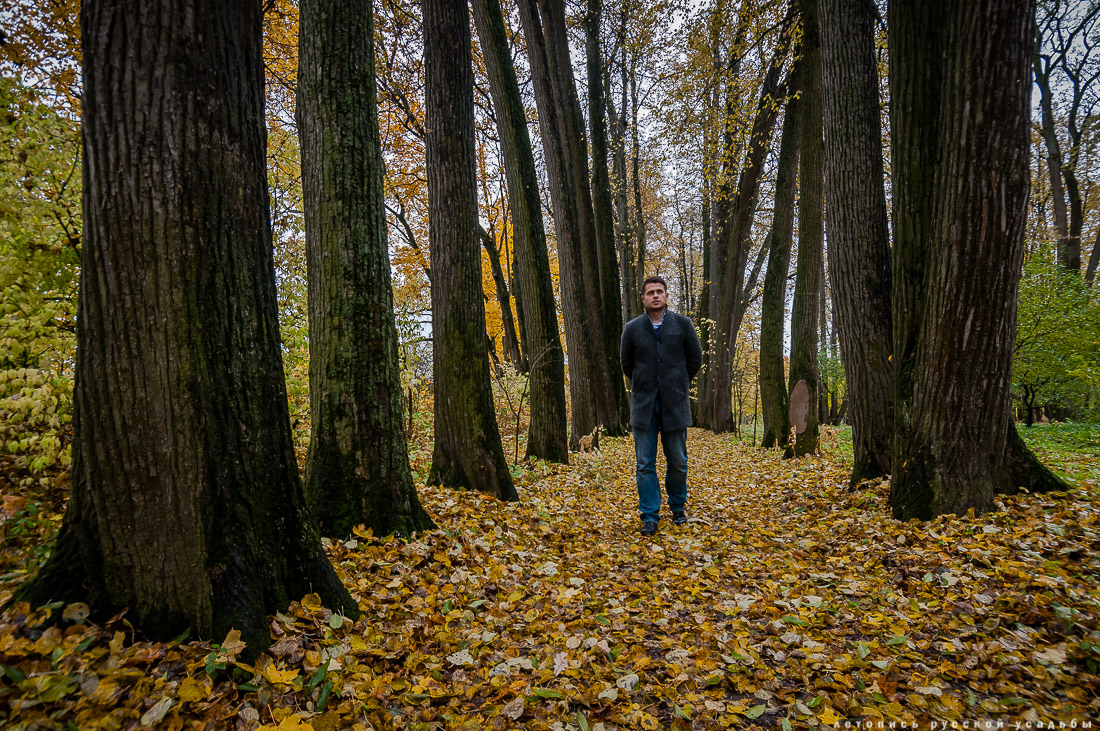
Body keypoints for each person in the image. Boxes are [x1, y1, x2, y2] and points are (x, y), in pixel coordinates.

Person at [619, 275, 703, 536]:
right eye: (650, 292)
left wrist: (677, 381)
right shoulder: (632, 329)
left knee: (678, 460)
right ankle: (649, 516)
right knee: (645, 463)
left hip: (675, 404)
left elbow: (694, 360)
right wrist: (646, 382)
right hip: (643, 405)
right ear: (643, 298)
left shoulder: (683, 324)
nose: (655, 295)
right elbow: (626, 364)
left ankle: (678, 507)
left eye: (660, 291)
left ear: (666, 296)